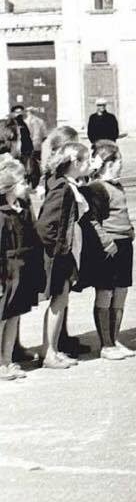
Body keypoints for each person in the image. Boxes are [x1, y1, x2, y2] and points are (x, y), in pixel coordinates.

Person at [80, 140, 136, 360]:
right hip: (108, 248)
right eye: (119, 160)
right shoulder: (97, 188)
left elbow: (122, 213)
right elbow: (92, 220)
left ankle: (115, 339)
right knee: (105, 293)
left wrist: (130, 230)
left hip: (124, 244)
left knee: (121, 293)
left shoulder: (118, 186)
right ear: (108, 163)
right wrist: (106, 242)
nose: (121, 165)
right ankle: (106, 344)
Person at [36, 142, 91, 368]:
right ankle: (49, 352)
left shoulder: (65, 183)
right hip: (59, 254)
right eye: (86, 160)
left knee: (61, 300)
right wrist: (59, 250)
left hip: (63, 251)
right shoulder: (63, 188)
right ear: (75, 162)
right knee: (59, 301)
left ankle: (52, 349)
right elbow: (44, 226)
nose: (89, 164)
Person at [0, 155, 44, 380]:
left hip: (21, 269)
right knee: (2, 318)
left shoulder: (22, 208)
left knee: (14, 316)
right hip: (5, 272)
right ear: (9, 186)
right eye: (22, 182)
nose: (27, 185)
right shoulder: (1, 214)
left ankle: (8, 359)